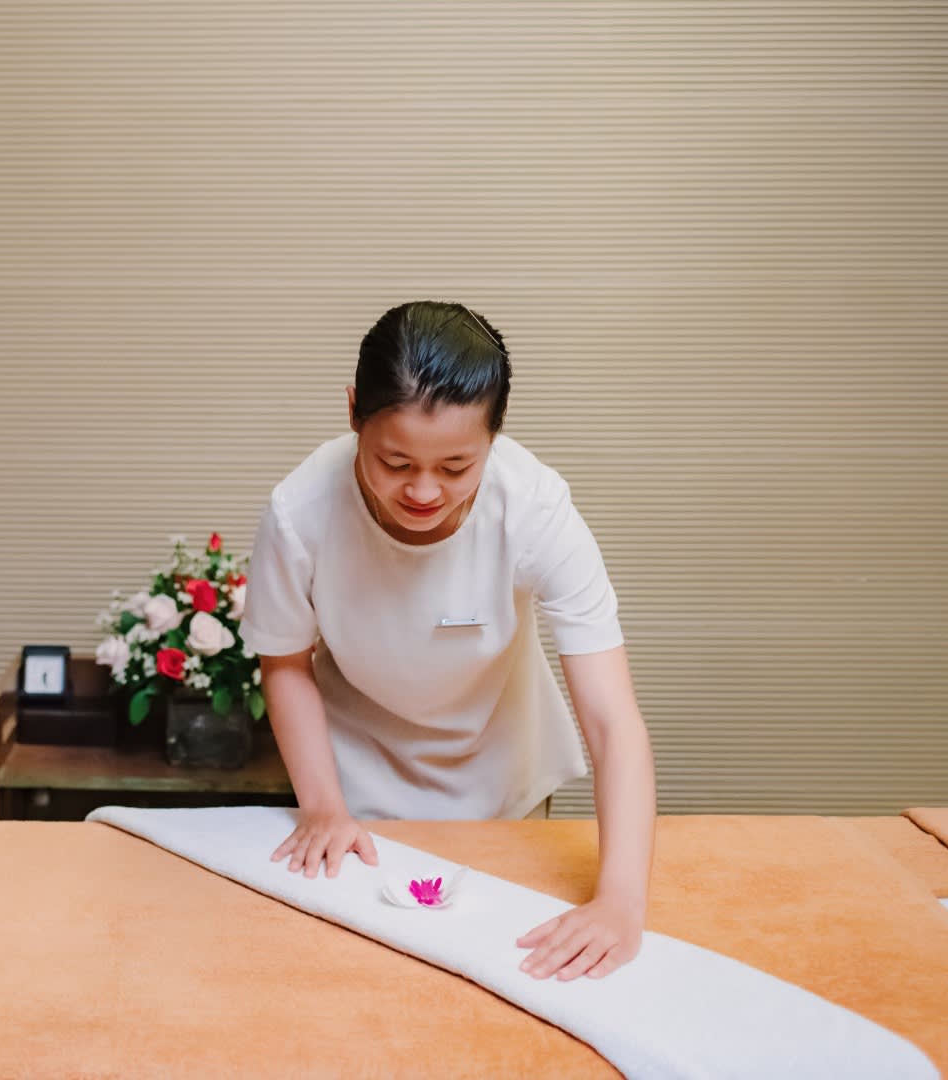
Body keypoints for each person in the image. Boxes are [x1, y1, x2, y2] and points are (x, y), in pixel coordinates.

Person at [238, 300, 656, 982]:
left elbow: (613, 719)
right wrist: (322, 808)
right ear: (353, 412)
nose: (424, 491)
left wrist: (620, 901)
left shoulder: (533, 508)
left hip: (504, 778)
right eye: (395, 461)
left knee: (504, 967)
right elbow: (284, 664)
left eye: (457, 467)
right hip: (353, 783)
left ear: (495, 434)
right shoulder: (299, 512)